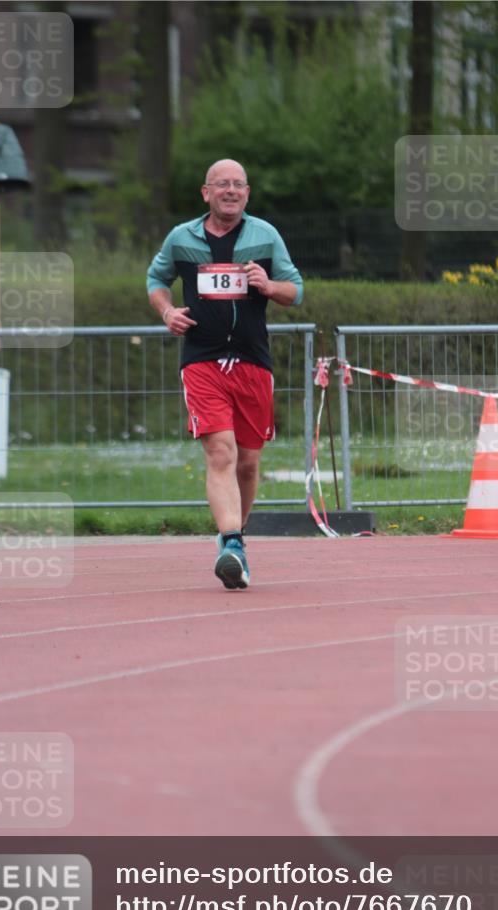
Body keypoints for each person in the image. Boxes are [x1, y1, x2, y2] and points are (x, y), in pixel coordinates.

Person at [147, 159, 303, 590]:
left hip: (253, 360)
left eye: (238, 185)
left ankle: (236, 539)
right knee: (220, 452)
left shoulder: (265, 236)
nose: (230, 191)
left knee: (249, 464)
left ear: (247, 194)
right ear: (206, 192)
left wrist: (269, 285)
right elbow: (155, 278)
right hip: (202, 358)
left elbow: (296, 289)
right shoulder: (182, 238)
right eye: (222, 184)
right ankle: (231, 543)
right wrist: (167, 311)